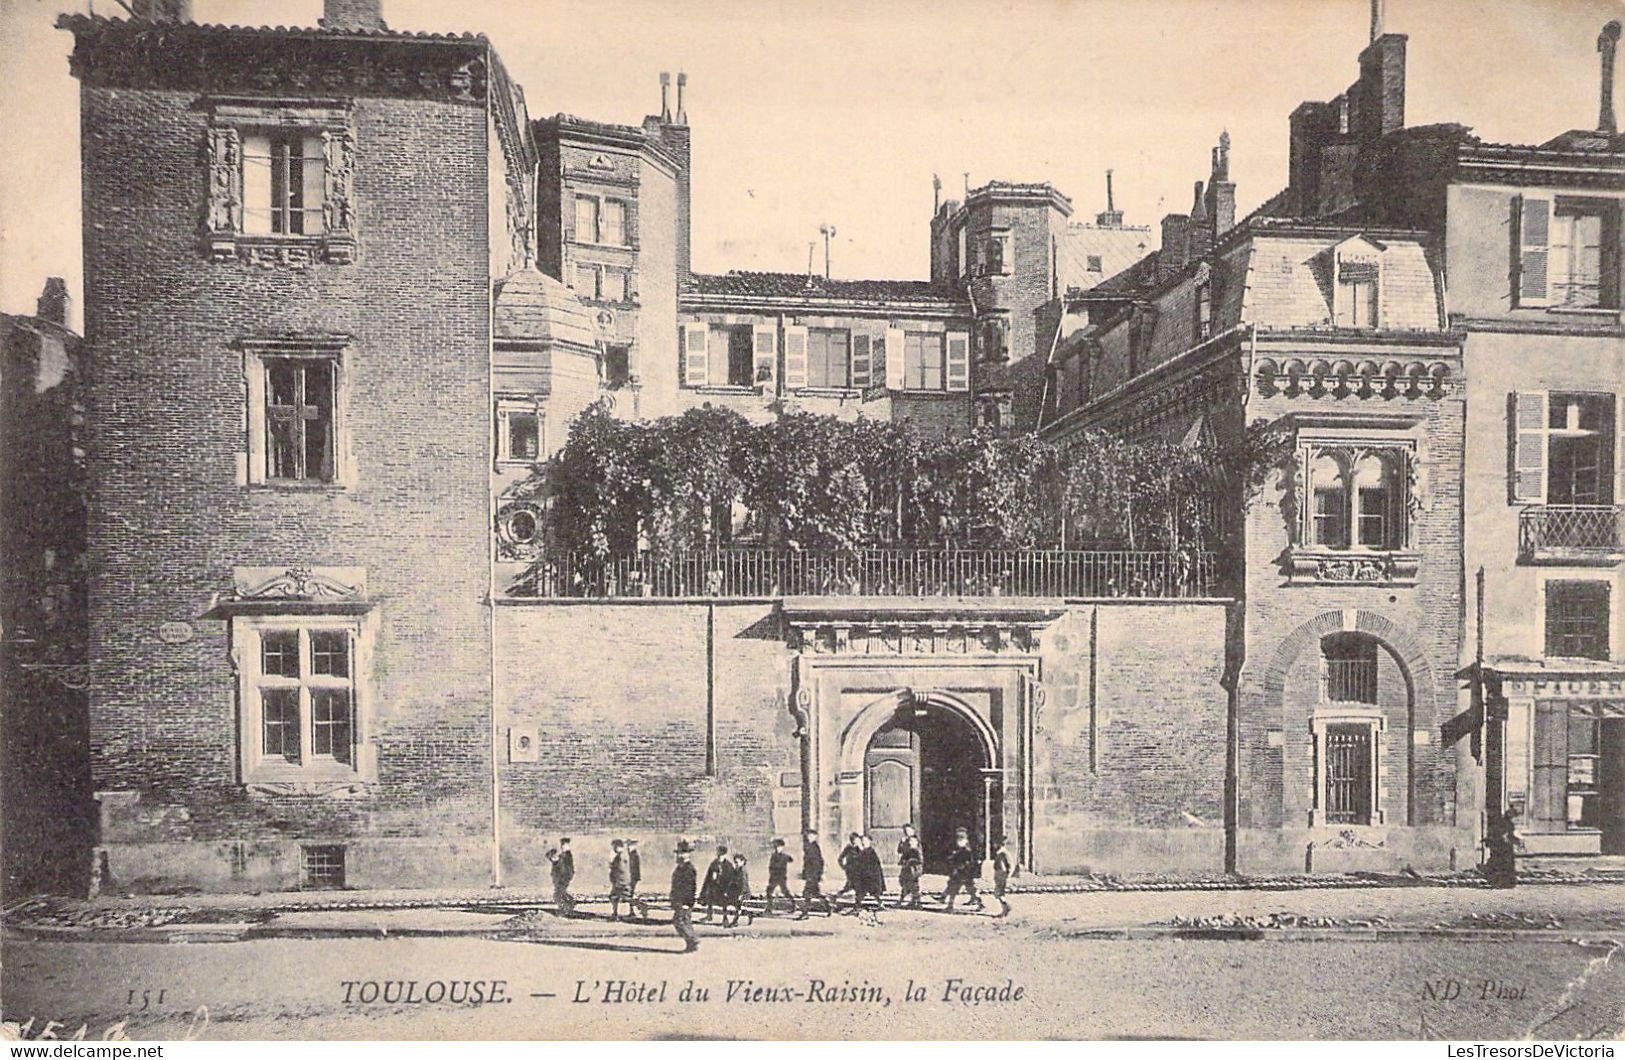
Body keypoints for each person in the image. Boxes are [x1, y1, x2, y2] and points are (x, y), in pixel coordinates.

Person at [942, 827, 983, 912]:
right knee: (954, 888)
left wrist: (962, 866)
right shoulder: (959, 849)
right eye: (958, 837)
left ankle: (980, 903)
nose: (958, 840)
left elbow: (969, 861)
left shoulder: (967, 850)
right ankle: (950, 905)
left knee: (971, 889)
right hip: (959, 872)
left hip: (965, 872)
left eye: (961, 837)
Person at [670, 840, 700, 953]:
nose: (679, 855)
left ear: (688, 855)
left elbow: (690, 888)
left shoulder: (689, 869)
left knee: (680, 921)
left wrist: (687, 903)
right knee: (683, 921)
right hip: (679, 900)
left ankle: (693, 940)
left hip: (684, 901)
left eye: (682, 853)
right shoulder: (680, 868)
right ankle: (691, 943)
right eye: (678, 853)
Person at [797, 829, 832, 919]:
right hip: (811, 874)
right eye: (808, 836)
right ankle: (828, 906)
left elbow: (819, 862)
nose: (809, 837)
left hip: (813, 875)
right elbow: (807, 862)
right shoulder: (808, 846)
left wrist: (818, 874)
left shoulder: (814, 847)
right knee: (815, 894)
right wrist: (804, 873)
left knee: (807, 894)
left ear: (815, 837)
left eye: (811, 836)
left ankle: (805, 914)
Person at [1484, 808, 1522, 889]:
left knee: (1503, 865)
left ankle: (1503, 883)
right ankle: (1503, 883)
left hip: (1503, 848)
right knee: (1503, 865)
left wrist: (1516, 841)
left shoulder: (1506, 823)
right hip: (1502, 848)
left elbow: (1509, 835)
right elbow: (1504, 835)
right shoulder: (1505, 823)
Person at [699, 844, 732, 922]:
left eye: (721, 855)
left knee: (724, 902)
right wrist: (704, 890)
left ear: (725, 855)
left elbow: (731, 879)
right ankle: (709, 916)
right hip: (714, 888)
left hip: (724, 888)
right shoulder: (714, 864)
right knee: (710, 898)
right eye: (718, 854)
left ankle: (725, 918)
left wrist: (728, 890)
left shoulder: (728, 865)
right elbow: (708, 878)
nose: (719, 856)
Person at [764, 838, 796, 916]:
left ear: (782, 847)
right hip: (774, 877)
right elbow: (771, 867)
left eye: (780, 847)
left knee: (785, 892)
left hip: (781, 877)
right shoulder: (774, 856)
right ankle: (769, 909)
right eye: (777, 847)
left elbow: (791, 860)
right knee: (769, 892)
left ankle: (793, 904)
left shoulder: (784, 856)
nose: (778, 848)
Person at [855, 834, 886, 912]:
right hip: (865, 875)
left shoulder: (870, 851)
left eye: (865, 841)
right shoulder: (862, 851)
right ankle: (857, 905)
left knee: (874, 892)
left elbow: (871, 864)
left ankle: (880, 904)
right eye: (862, 841)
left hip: (872, 875)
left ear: (869, 842)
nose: (863, 842)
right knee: (861, 892)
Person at [722, 852, 753, 927]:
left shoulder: (743, 871)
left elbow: (744, 884)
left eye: (737, 862)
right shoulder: (736, 870)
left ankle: (735, 921)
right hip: (736, 892)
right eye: (734, 862)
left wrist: (741, 894)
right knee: (727, 903)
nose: (735, 864)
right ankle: (726, 919)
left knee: (738, 907)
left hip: (743, 892)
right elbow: (731, 881)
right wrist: (727, 891)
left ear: (742, 862)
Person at [896, 828, 924, 909]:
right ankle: (912, 901)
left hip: (913, 869)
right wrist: (901, 843)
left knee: (913, 885)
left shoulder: (915, 843)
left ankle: (917, 903)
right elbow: (900, 851)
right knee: (905, 883)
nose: (907, 832)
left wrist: (910, 861)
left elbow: (919, 858)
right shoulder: (905, 841)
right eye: (906, 831)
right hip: (907, 867)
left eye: (909, 831)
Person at [835, 832, 862, 910]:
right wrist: (843, 867)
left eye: (857, 839)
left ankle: (857, 904)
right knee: (854, 887)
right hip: (850, 871)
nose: (857, 841)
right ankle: (857, 905)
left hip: (858, 871)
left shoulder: (860, 848)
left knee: (854, 887)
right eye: (855, 839)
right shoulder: (849, 848)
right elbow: (840, 858)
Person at [608, 839, 632, 921]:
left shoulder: (619, 857)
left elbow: (618, 870)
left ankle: (615, 915)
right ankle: (615, 914)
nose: (613, 848)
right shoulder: (623, 856)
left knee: (614, 897)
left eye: (614, 846)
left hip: (620, 881)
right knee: (619, 897)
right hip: (622, 880)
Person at [991, 833, 1013, 916]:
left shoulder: (1002, 853)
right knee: (999, 893)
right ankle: (1005, 908)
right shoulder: (1001, 852)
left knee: (998, 893)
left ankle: (1006, 907)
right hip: (999, 873)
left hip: (1001, 874)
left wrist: (1007, 873)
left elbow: (1009, 864)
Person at [627, 838, 648, 919]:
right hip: (632, 877)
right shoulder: (632, 854)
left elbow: (633, 868)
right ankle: (632, 910)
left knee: (631, 895)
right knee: (630, 895)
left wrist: (631, 877)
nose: (628, 847)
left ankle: (639, 908)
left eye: (630, 845)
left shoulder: (633, 855)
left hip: (632, 877)